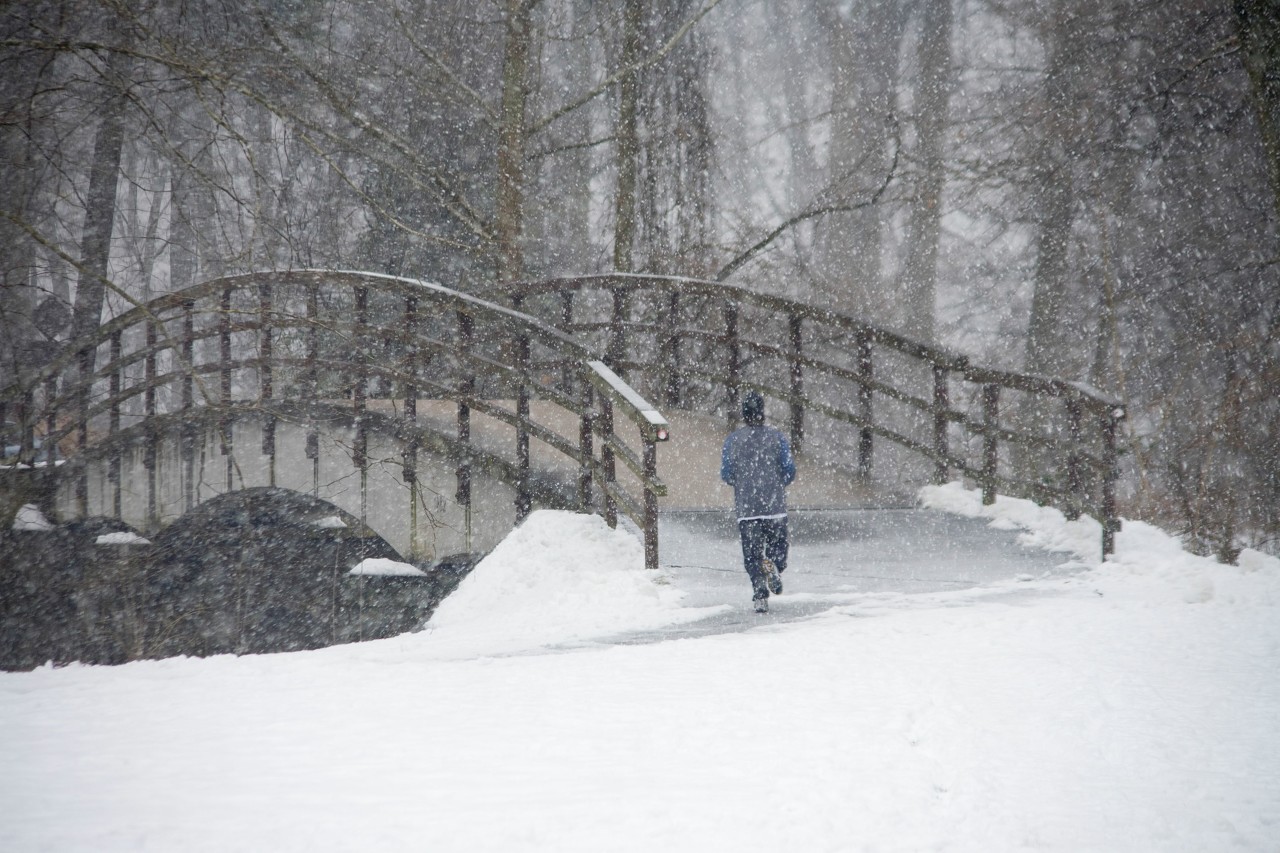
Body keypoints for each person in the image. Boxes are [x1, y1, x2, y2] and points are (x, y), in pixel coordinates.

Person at [720, 390, 796, 613]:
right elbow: (789, 470)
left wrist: (743, 482)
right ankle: (774, 566)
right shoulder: (777, 437)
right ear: (762, 413)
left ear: (744, 414)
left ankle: (759, 593)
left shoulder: (733, 440)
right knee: (778, 548)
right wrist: (776, 482)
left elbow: (726, 474)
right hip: (775, 507)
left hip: (747, 508)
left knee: (752, 554)